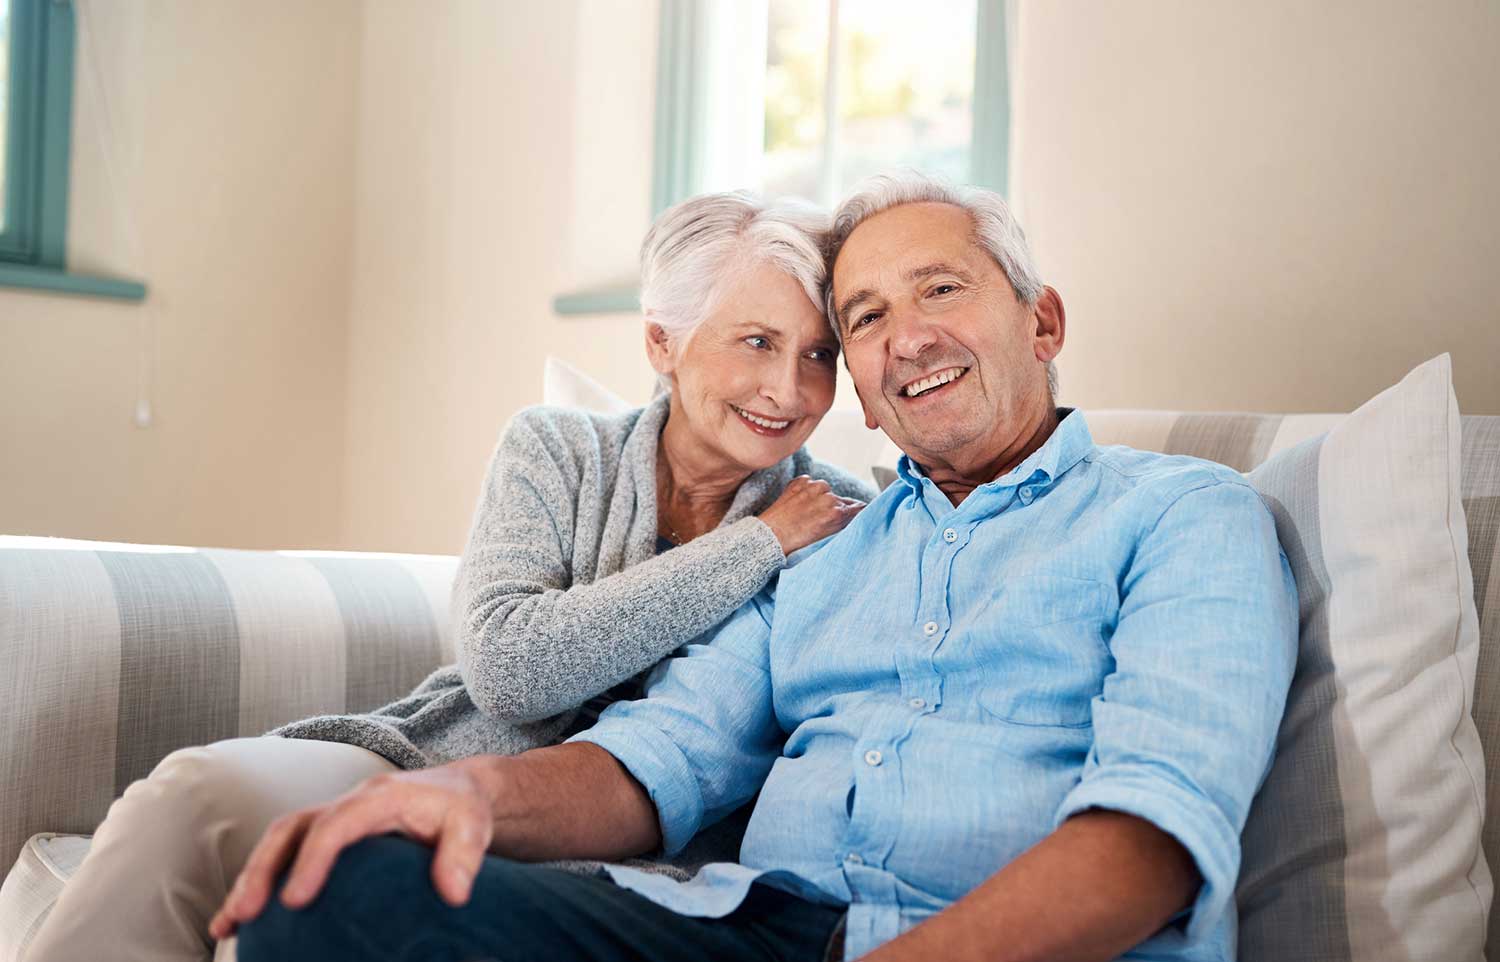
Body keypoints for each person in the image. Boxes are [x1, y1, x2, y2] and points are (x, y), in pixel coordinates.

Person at [218, 171, 1300, 962]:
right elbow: (660, 755)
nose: (907, 336)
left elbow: (1152, 833)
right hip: (753, 932)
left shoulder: (1185, 515)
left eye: (941, 290)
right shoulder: (821, 542)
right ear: (865, 398)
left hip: (1004, 944)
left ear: (1043, 319)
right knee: (335, 892)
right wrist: (460, 789)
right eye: (865, 319)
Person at [23, 191, 873, 962]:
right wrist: (753, 544)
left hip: (633, 858)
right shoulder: (558, 450)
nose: (790, 390)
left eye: (817, 354)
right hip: (427, 769)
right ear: (663, 341)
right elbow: (507, 670)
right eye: (756, 342)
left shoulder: (835, 518)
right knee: (189, 798)